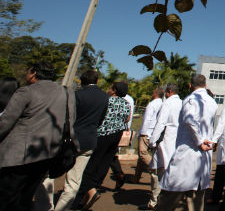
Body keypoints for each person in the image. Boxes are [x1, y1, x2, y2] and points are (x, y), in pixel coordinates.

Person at [0, 62, 74, 211]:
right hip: (46, 154)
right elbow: (70, 121)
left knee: (7, 198)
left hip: (17, 156)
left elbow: (6, 121)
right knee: (26, 196)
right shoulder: (65, 92)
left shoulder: (26, 92)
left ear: (33, 73)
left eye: (27, 72)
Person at [155, 75, 217, 211]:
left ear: (190, 85)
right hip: (204, 153)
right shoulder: (212, 102)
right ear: (205, 85)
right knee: (196, 197)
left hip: (188, 151)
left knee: (171, 194)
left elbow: (190, 120)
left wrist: (200, 141)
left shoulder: (190, 99)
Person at [53, 70, 109, 211]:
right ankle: (62, 208)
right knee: (74, 181)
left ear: (82, 81)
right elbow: (101, 119)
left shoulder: (76, 95)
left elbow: (68, 117)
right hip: (89, 140)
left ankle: (46, 203)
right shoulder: (104, 97)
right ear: (97, 81)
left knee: (50, 174)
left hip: (71, 139)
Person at [74, 81, 131, 210]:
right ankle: (94, 187)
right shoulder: (126, 104)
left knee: (91, 163)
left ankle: (86, 191)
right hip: (117, 135)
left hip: (103, 133)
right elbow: (127, 119)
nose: (109, 89)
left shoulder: (108, 100)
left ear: (115, 90)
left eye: (111, 88)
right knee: (104, 163)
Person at [141, 84, 182, 210]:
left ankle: (154, 201)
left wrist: (152, 141)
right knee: (169, 171)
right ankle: (166, 200)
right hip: (176, 140)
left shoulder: (167, 104)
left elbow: (161, 123)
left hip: (165, 139)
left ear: (169, 92)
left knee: (157, 172)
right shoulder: (183, 103)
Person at [133, 87, 164, 184]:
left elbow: (147, 119)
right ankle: (136, 177)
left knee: (143, 154)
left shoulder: (152, 104)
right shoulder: (162, 104)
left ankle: (155, 170)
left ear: (156, 93)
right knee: (141, 157)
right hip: (155, 133)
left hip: (146, 132)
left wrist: (143, 132)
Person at [110, 90, 135, 189]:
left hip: (108, 131)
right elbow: (128, 118)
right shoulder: (128, 101)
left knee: (106, 155)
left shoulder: (111, 100)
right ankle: (119, 174)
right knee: (111, 155)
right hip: (120, 130)